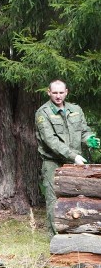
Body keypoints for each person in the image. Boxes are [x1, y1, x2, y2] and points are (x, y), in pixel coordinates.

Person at [35, 80, 98, 235]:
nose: (58, 96)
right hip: (53, 162)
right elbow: (51, 141)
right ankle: (55, 238)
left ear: (66, 92)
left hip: (74, 162)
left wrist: (90, 139)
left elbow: (84, 131)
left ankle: (73, 233)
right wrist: (74, 155)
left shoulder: (75, 109)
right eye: (55, 93)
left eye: (61, 92)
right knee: (54, 200)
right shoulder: (43, 113)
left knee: (76, 197)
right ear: (49, 92)